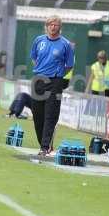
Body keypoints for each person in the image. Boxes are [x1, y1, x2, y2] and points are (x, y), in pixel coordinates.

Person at [30, 15, 74, 156]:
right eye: (50, 24)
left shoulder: (65, 44)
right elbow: (34, 58)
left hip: (55, 81)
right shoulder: (38, 40)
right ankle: (43, 143)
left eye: (56, 25)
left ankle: (45, 146)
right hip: (39, 80)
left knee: (51, 114)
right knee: (37, 114)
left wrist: (58, 75)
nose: (53, 27)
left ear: (60, 27)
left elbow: (69, 65)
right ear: (46, 26)